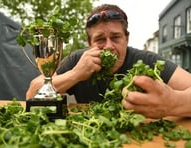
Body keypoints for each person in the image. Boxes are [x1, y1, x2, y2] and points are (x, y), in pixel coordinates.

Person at [26, 4, 191, 119]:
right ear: (90, 43)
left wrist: (172, 103)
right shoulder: (78, 60)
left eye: (116, 37)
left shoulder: (147, 60)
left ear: (127, 38)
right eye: (100, 39)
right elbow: (31, 94)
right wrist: (75, 74)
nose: (109, 46)